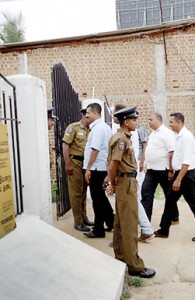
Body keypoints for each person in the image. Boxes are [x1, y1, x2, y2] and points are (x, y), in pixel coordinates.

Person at [106, 106, 155, 278]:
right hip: (126, 182)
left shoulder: (119, 137)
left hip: (125, 181)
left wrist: (113, 182)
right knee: (129, 225)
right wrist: (112, 182)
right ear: (126, 122)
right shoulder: (122, 140)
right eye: (134, 120)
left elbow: (111, 164)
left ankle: (120, 257)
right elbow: (113, 164)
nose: (136, 122)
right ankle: (135, 266)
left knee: (120, 222)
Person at [112, 104, 154, 242]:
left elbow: (115, 161)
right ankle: (146, 229)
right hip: (128, 175)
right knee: (129, 206)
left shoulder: (128, 135)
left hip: (129, 176)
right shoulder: (124, 135)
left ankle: (141, 232)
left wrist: (110, 181)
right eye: (134, 120)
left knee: (128, 210)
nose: (136, 122)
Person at [154, 112, 195, 240]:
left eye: (171, 122)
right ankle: (164, 230)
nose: (170, 125)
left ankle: (164, 229)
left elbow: (186, 162)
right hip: (180, 174)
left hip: (187, 176)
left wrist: (178, 180)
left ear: (179, 122)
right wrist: (173, 173)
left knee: (193, 204)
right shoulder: (178, 136)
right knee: (170, 201)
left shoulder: (186, 137)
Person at [141, 111, 179, 224]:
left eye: (150, 119)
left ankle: (174, 216)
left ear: (158, 119)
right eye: (148, 120)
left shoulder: (167, 133)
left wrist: (171, 170)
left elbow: (172, 152)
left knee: (169, 195)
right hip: (152, 170)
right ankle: (145, 221)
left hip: (164, 170)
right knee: (146, 193)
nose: (149, 122)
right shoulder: (153, 133)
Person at [83, 103, 114, 238]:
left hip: (96, 169)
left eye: (88, 113)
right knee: (101, 198)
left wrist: (88, 168)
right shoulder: (105, 127)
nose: (86, 115)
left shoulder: (98, 129)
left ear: (95, 113)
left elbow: (94, 150)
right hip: (101, 168)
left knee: (97, 200)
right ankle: (111, 221)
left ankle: (98, 230)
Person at [62, 108, 94, 232]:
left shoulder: (92, 129)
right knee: (76, 193)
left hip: (86, 164)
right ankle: (78, 221)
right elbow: (65, 145)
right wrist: (68, 164)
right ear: (85, 116)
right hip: (75, 162)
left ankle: (84, 218)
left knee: (83, 192)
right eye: (88, 116)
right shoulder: (74, 127)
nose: (89, 118)